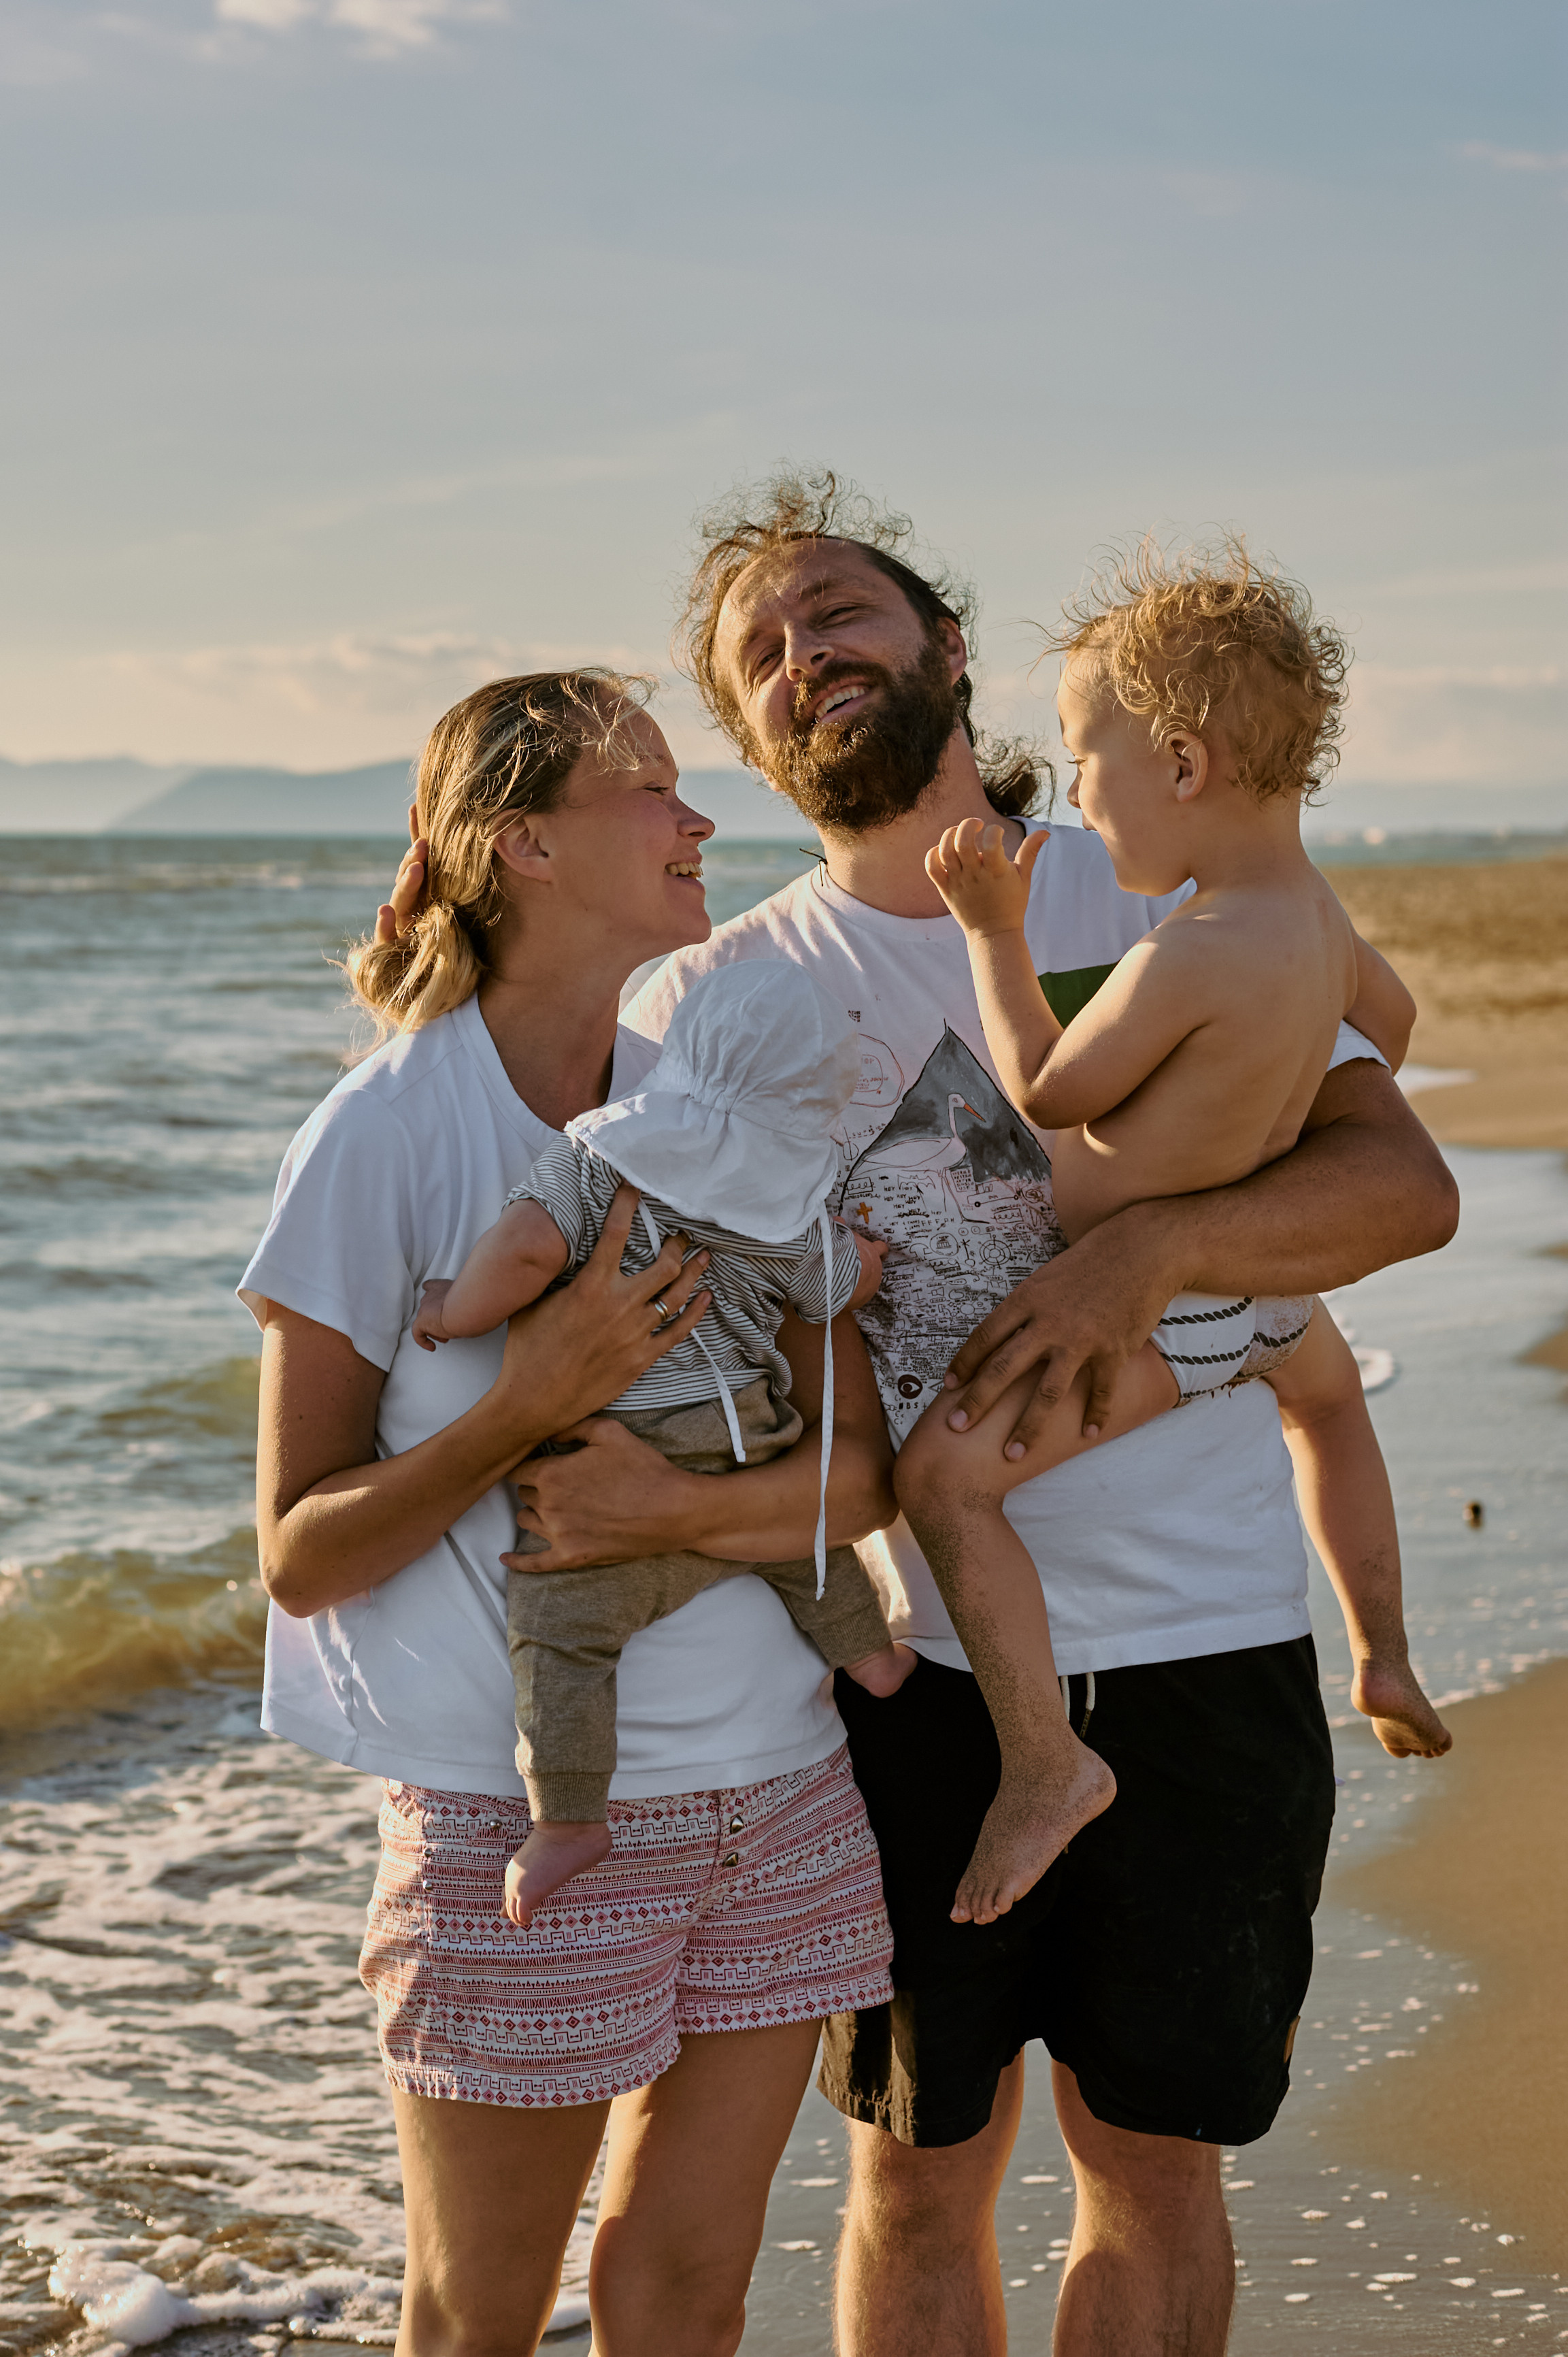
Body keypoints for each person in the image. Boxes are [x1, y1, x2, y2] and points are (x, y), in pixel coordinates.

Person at [613, 469, 1458, 2357]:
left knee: (1153, 2176)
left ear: (946, 645)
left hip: (1206, 1644)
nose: (804, 651)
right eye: (760, 649)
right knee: (914, 2179)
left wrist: (1141, 1256)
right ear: (745, 726)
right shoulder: (703, 1001)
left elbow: (1400, 1187)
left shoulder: (1151, 877)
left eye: (838, 608)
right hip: (901, 1679)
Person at [243, 668, 899, 2357]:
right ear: (523, 843)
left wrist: (667, 1503)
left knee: (686, 2297)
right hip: (519, 1828)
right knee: (478, 2317)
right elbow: (300, 1551)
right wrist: (530, 1400)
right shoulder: (384, 1132)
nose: (699, 819)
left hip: (781, 1794)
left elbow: (859, 1476)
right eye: (650, 789)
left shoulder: (723, 1106)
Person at [897, 542, 1451, 1928]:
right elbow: (1385, 1028)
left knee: (943, 1482)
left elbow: (1044, 1087)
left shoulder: (1187, 949)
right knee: (1328, 1411)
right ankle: (1380, 1650)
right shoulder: (1314, 920)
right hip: (1263, 1297)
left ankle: (1043, 1762)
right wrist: (1250, 1103)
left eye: (1085, 760)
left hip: (1173, 1312)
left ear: (1183, 766)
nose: (1075, 793)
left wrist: (992, 931)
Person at [411, 958, 912, 1928]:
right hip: (748, 1441)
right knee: (807, 1553)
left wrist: (453, 1309)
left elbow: (525, 1250)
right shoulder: (789, 1201)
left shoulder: (599, 1161)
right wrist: (867, 1263)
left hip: (620, 1445)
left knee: (559, 1631)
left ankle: (567, 1820)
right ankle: (871, 1658)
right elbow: (834, 1290)